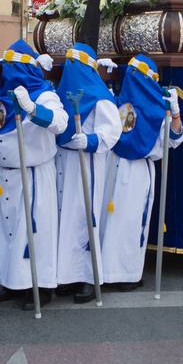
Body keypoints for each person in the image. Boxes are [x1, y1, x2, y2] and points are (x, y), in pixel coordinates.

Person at [99, 55, 183, 287]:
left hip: (137, 172)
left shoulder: (158, 110)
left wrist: (175, 114)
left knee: (130, 222)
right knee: (108, 220)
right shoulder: (117, 101)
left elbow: (175, 138)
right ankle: (104, 272)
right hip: (113, 167)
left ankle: (126, 275)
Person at [0, 41, 67, 307]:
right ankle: (11, 281)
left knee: (35, 232)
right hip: (4, 174)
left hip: (34, 173)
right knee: (7, 230)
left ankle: (41, 285)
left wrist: (33, 109)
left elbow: (60, 122)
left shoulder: (44, 95)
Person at [54, 43, 124, 300]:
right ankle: (67, 275)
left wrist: (92, 140)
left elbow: (112, 131)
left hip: (88, 162)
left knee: (85, 216)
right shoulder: (61, 93)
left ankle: (89, 276)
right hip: (65, 160)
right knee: (65, 217)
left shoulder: (101, 97)